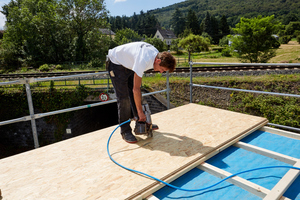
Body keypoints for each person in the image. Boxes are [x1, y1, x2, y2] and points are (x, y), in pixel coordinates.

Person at [107, 41, 176, 143]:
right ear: (157, 61)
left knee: (133, 93)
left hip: (128, 64)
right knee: (124, 98)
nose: (161, 72)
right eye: (162, 69)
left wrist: (141, 114)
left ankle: (141, 123)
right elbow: (136, 89)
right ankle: (125, 131)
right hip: (115, 63)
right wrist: (140, 112)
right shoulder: (143, 60)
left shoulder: (156, 54)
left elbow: (135, 90)